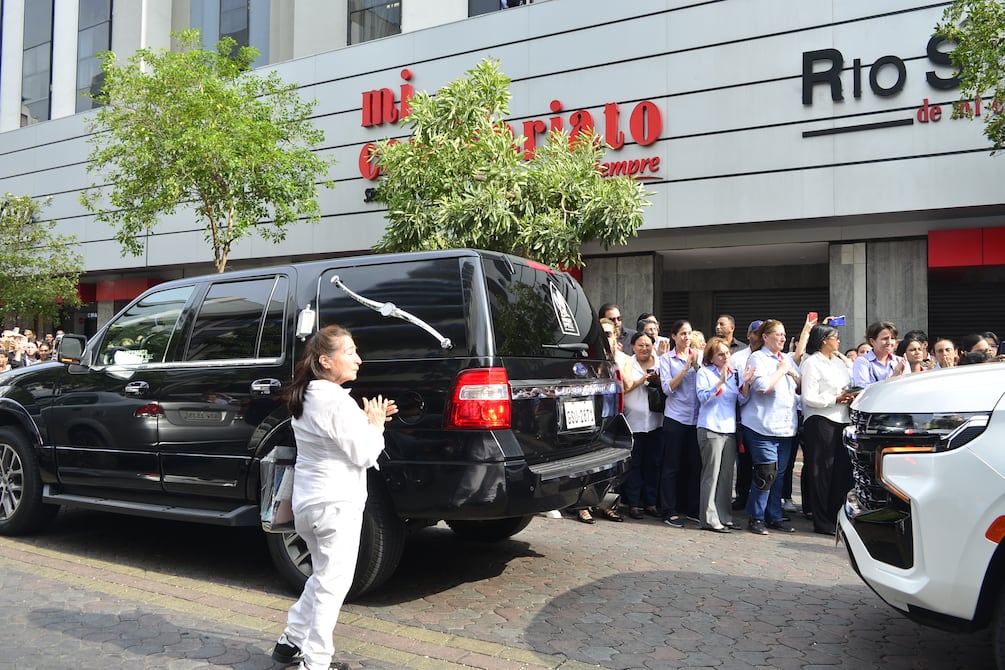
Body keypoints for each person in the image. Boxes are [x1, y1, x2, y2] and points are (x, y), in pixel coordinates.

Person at [273, 325, 397, 670]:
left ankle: (290, 642)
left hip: (310, 506)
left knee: (323, 577)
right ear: (326, 361)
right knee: (333, 584)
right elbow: (363, 454)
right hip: (336, 506)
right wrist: (375, 426)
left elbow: (336, 437)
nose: (358, 359)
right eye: (350, 352)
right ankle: (316, 662)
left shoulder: (311, 395)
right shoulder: (333, 400)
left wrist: (369, 418)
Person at [739, 319, 800, 535]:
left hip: (785, 426)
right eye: (778, 334)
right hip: (761, 426)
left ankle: (773, 515)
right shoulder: (758, 358)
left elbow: (799, 386)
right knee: (766, 472)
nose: (782, 338)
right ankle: (756, 517)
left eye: (784, 335)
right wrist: (782, 370)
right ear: (765, 337)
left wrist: (791, 372)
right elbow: (763, 387)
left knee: (780, 475)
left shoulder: (786, 359)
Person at [799, 324, 855, 536]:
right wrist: (834, 399)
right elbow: (809, 397)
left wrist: (849, 395)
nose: (838, 341)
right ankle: (821, 520)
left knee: (840, 472)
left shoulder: (839, 363)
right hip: (821, 420)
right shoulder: (812, 363)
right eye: (835, 338)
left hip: (842, 418)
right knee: (821, 471)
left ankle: (835, 516)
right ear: (824, 340)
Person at [695, 337, 747, 533]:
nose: (726, 357)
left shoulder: (733, 375)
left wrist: (746, 383)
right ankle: (708, 518)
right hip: (710, 428)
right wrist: (719, 382)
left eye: (727, 353)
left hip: (729, 429)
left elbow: (741, 399)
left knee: (726, 475)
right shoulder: (705, 373)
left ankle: (724, 515)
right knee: (711, 475)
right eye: (720, 354)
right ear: (711, 357)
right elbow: (702, 397)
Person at [658, 319, 702, 528]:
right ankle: (669, 509)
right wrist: (685, 369)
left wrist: (698, 367)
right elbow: (668, 389)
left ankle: (692, 508)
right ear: (674, 336)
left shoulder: (699, 357)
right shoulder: (667, 359)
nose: (686, 337)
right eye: (682, 334)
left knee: (694, 465)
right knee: (671, 466)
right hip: (676, 417)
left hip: (696, 419)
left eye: (689, 333)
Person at [619, 331, 664, 520]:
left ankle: (651, 502)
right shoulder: (628, 363)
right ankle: (633, 503)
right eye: (640, 345)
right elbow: (625, 387)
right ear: (633, 347)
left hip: (656, 422)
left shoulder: (660, 362)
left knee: (653, 463)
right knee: (635, 464)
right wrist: (642, 380)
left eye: (648, 345)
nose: (644, 348)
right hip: (633, 422)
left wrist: (657, 381)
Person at [729, 319, 763, 511]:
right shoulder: (737, 357)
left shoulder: (772, 357)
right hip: (743, 415)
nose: (759, 336)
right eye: (756, 332)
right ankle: (742, 495)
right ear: (749, 334)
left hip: (764, 416)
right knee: (744, 461)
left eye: (762, 333)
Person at [852, 321, 906, 387]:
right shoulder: (863, 361)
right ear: (872, 341)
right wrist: (893, 377)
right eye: (885, 339)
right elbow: (862, 388)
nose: (889, 342)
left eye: (892, 338)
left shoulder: (900, 361)